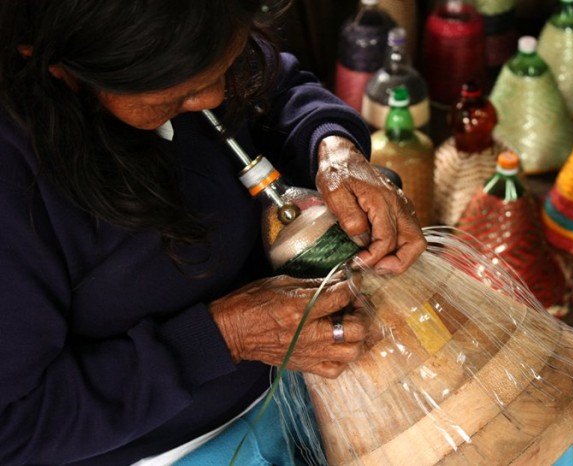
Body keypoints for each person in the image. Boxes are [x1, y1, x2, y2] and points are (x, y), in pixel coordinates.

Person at [0, 1, 426, 464]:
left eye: (225, 63)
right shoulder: (15, 185)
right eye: (174, 98)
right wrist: (221, 339)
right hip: (176, 450)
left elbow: (275, 86)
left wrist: (331, 144)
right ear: (61, 68)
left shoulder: (198, 26)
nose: (215, 99)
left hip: (311, 384)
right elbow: (13, 425)